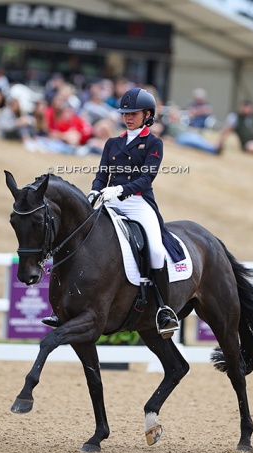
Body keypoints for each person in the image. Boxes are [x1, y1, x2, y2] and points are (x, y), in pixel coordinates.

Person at [89, 87, 186, 337]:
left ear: (147, 114)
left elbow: (146, 179)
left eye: (134, 113)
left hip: (138, 202)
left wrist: (120, 189)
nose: (128, 117)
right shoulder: (112, 143)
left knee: (154, 250)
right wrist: (95, 192)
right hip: (110, 199)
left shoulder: (153, 143)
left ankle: (164, 309)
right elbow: (101, 176)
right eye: (125, 113)